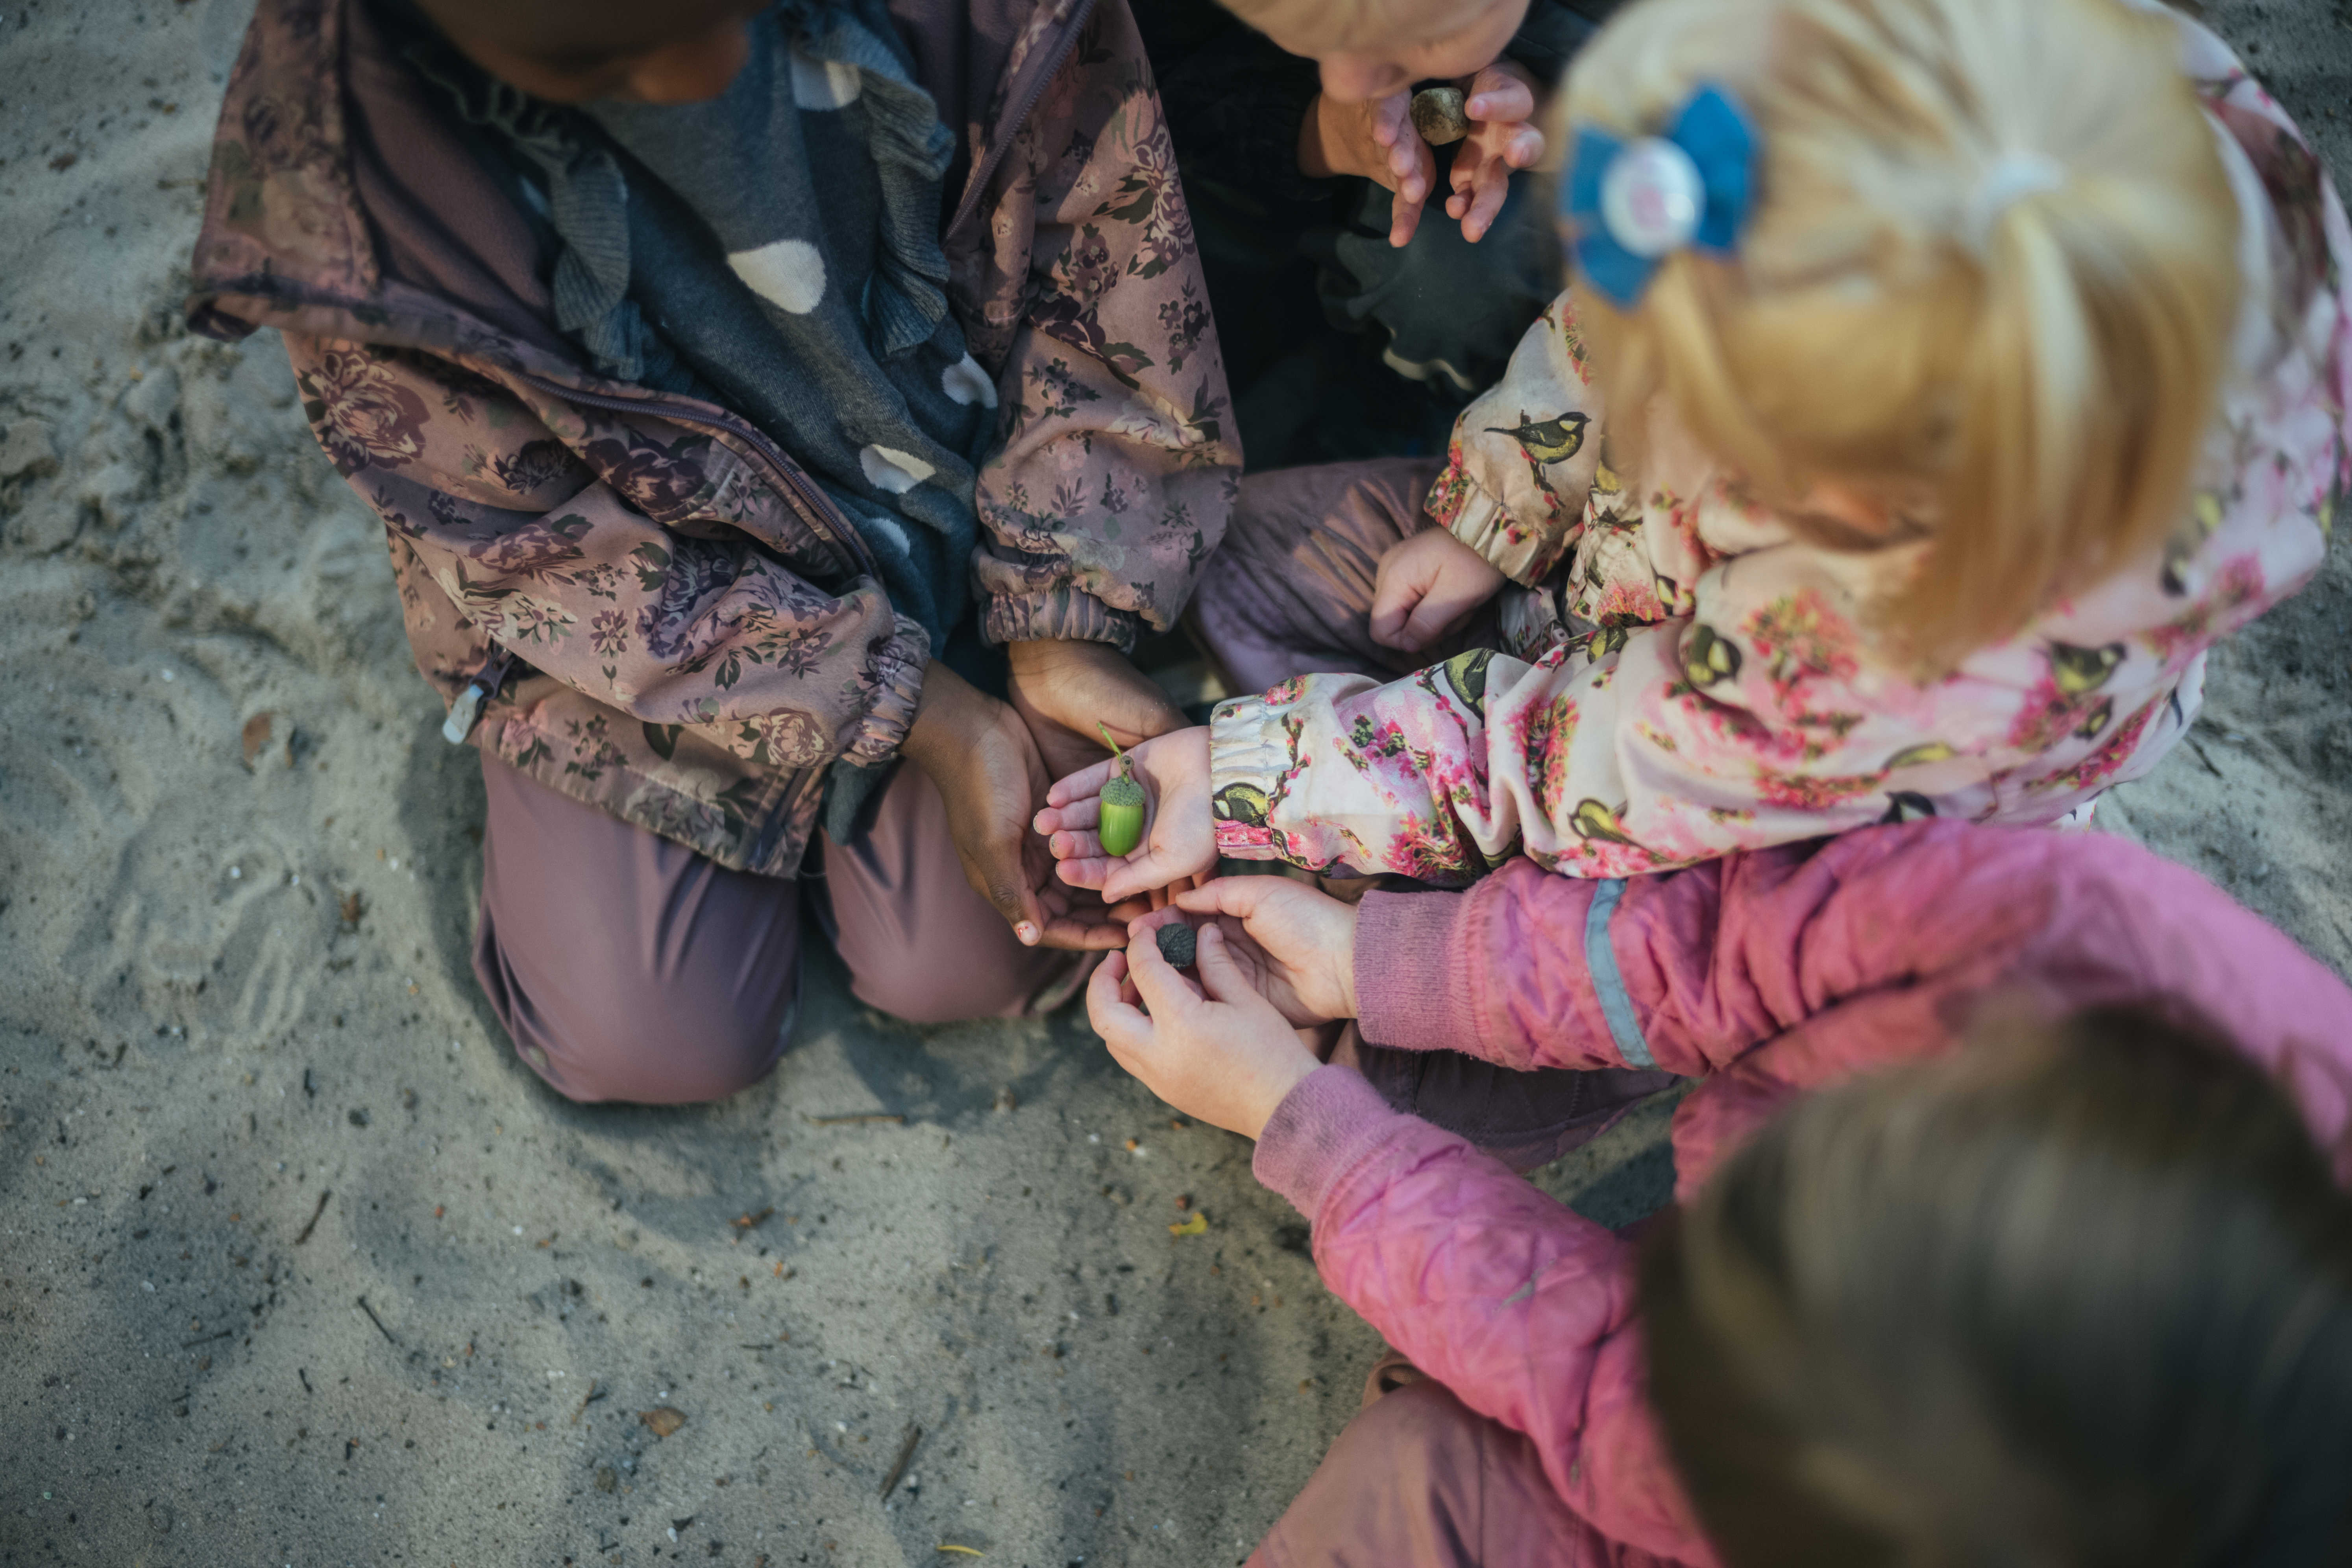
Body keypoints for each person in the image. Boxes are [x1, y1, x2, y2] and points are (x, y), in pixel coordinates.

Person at [1039, 0, 2349, 898]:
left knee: (1405, 999)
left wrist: (1245, 781)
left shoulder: (1885, 665)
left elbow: (1575, 765)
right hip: (1619, 583)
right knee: (1232, 570)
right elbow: (1610, 332)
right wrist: (1497, 504)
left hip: (1740, 813)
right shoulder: (1915, 101)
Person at [184, 0, 1239, 1102]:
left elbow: (1108, 253)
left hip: (954, 521)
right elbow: (538, 556)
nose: (712, 70)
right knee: (650, 1044)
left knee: (976, 957)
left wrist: (1064, 615)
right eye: (615, 63)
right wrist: (916, 710)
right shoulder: (358, 200)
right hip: (649, 637)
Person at [1088, 818, 2352, 1564]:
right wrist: (1382, 963)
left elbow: (1623, 1398)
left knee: (1425, 1470)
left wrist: (1318, 1138)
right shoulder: (2050, 923)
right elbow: (1711, 948)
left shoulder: (1915, 1473)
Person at [1131, 0, 1613, 468]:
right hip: (1247, 139)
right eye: (1318, 35)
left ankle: (1412, 399)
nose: (1346, 81)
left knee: (1451, 281)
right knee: (1212, 240)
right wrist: (1326, 133)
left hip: (1563, 170)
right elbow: (1167, 81)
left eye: (1424, 37)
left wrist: (1550, 112)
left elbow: (1647, 119)